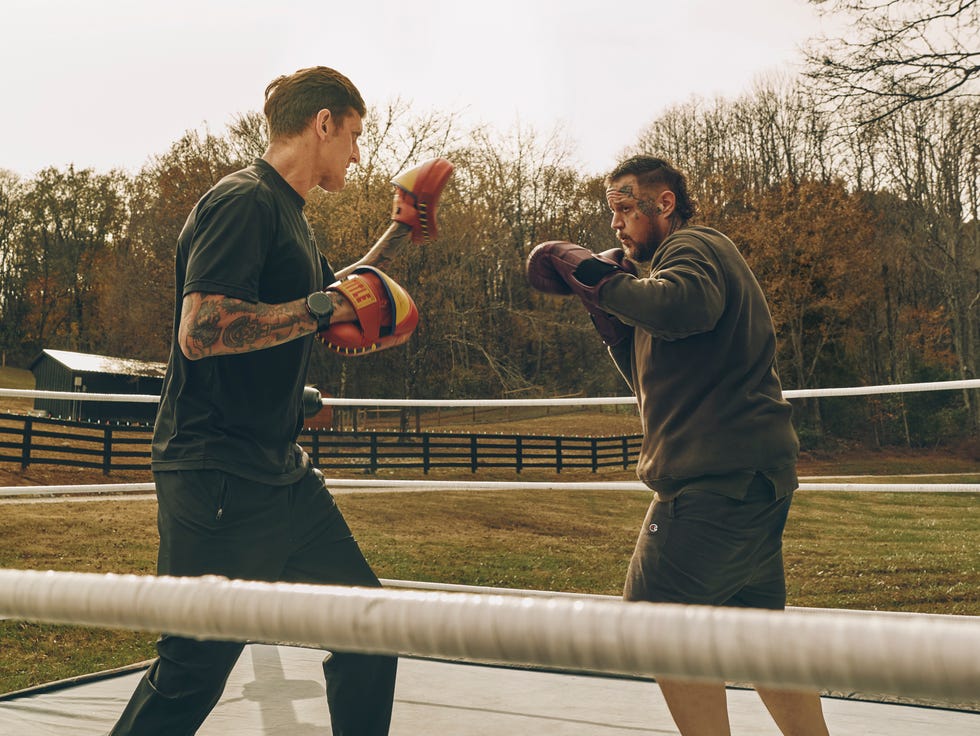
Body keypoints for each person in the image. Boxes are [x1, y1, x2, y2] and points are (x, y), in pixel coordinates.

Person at [108, 66, 451, 736]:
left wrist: (400, 229)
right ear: (322, 122)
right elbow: (202, 331)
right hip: (218, 475)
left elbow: (337, 297)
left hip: (280, 476)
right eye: (354, 135)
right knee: (192, 671)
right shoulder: (244, 202)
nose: (359, 152)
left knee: (369, 630)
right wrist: (323, 307)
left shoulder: (290, 216)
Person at [526, 155, 831, 736]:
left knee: (655, 621)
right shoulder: (666, 278)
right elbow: (655, 378)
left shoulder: (694, 248)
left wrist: (596, 277)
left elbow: (686, 307)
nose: (615, 224)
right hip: (750, 482)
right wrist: (611, 318)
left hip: (715, 484)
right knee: (761, 636)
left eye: (623, 208)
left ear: (662, 204)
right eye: (609, 211)